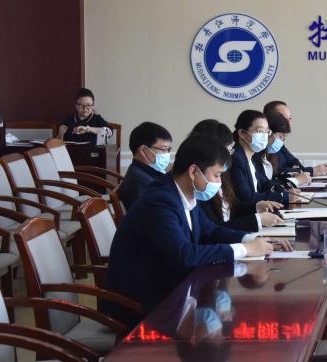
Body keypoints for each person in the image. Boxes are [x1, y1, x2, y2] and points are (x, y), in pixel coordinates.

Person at [103, 135, 290, 328]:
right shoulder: (160, 201)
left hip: (171, 288)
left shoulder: (183, 192)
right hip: (142, 303)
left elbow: (209, 231)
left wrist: (253, 239)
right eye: (216, 175)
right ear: (193, 172)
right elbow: (185, 255)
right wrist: (246, 249)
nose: (219, 182)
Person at [189, 118, 284, 232]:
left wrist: (256, 207)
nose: (228, 157)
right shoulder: (199, 184)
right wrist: (257, 220)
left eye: (230, 151)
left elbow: (232, 210)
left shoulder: (223, 174)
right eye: (226, 152)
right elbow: (212, 230)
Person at [229, 110, 295, 206]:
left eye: (267, 131)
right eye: (259, 131)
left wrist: (284, 191)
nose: (264, 136)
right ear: (242, 133)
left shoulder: (252, 157)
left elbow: (264, 183)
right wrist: (282, 196)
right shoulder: (236, 159)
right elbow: (246, 197)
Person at [262, 100, 327, 176]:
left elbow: (294, 162)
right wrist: (312, 171)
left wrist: (294, 170)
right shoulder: (261, 147)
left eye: (290, 118)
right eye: (284, 118)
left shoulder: (279, 144)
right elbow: (275, 173)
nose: (288, 122)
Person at [118, 122, 172, 211]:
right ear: (143, 150)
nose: (167, 154)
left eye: (168, 149)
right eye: (164, 149)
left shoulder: (142, 171)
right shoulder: (142, 182)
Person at [264, 111, 311, 188]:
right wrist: (296, 180)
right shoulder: (256, 156)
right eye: (280, 136)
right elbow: (265, 185)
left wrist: (291, 174)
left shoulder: (273, 152)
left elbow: (275, 175)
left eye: (283, 139)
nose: (281, 142)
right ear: (268, 132)